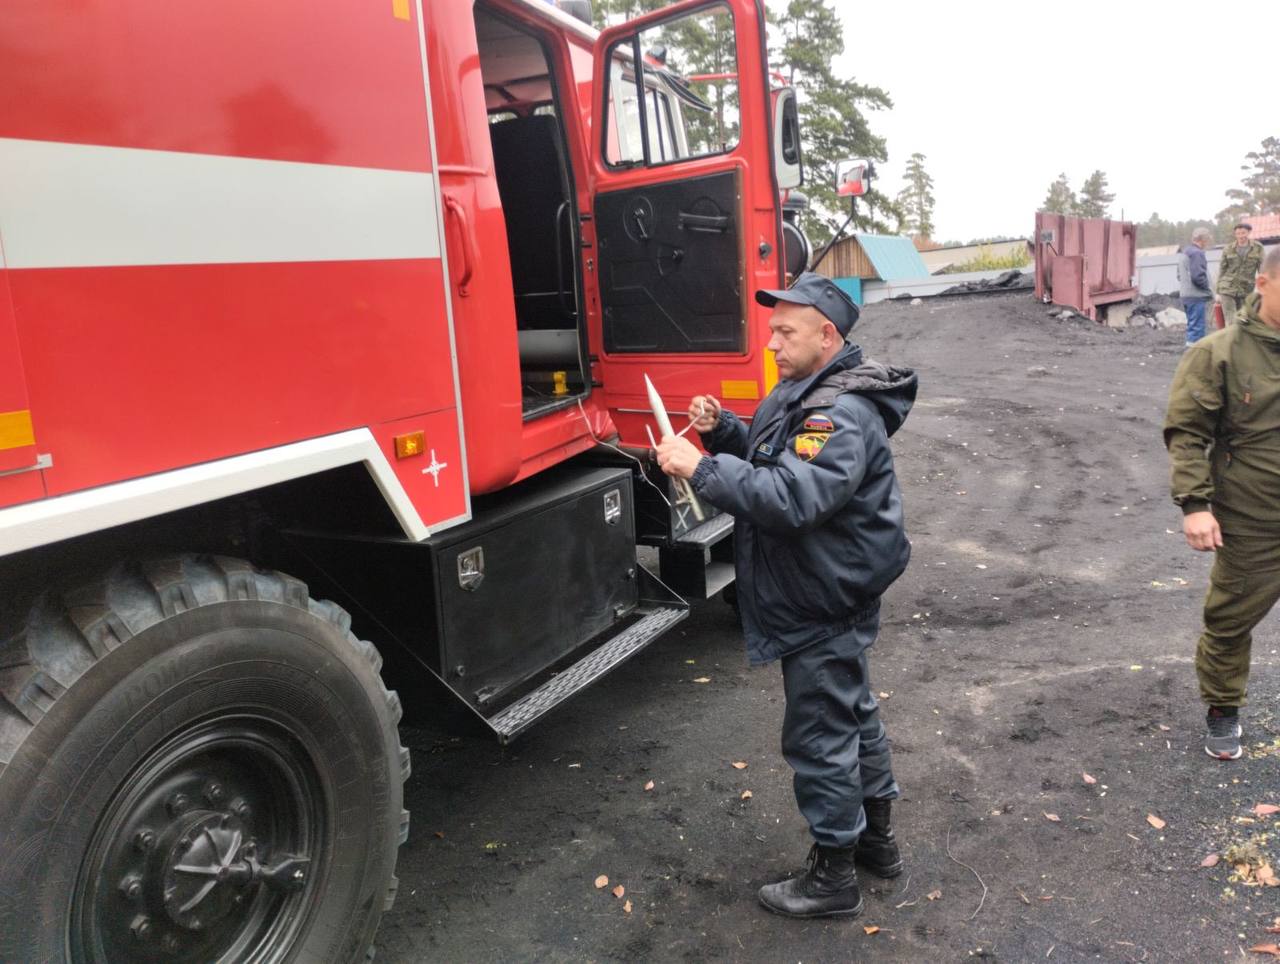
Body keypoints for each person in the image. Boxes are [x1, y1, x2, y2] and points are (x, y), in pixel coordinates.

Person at [654, 272, 917, 918]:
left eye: (785, 331)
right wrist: (723, 433)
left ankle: (833, 878)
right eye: (772, 328)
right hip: (828, 586)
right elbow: (778, 457)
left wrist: (701, 468)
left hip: (820, 594)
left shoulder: (838, 413)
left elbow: (793, 496)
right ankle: (875, 844)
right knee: (850, 710)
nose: (770, 341)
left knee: (821, 731)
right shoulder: (808, 390)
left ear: (827, 335)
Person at [1164, 246, 1280, 760]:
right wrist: (1194, 504)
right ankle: (1223, 708)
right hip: (1253, 517)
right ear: (1262, 282)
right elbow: (1188, 432)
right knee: (1229, 621)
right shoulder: (1218, 352)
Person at [1215, 223, 1265, 326]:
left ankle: (1240, 340)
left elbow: (1262, 269)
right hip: (1227, 288)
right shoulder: (1228, 248)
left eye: (1243, 233)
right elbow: (1222, 270)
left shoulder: (1258, 248)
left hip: (1245, 289)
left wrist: (1263, 288)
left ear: (1249, 232)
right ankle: (1233, 341)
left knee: (1243, 318)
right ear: (1235, 234)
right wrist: (1217, 292)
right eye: (1238, 233)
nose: (1241, 236)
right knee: (1231, 318)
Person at [1178, 227, 1216, 345]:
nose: (1208, 242)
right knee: (1197, 330)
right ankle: (1194, 357)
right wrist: (1209, 290)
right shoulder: (1197, 253)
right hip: (1196, 296)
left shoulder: (1185, 253)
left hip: (1186, 296)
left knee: (1192, 327)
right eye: (1208, 240)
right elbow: (1198, 277)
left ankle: (1190, 353)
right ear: (1203, 239)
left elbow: (1179, 275)